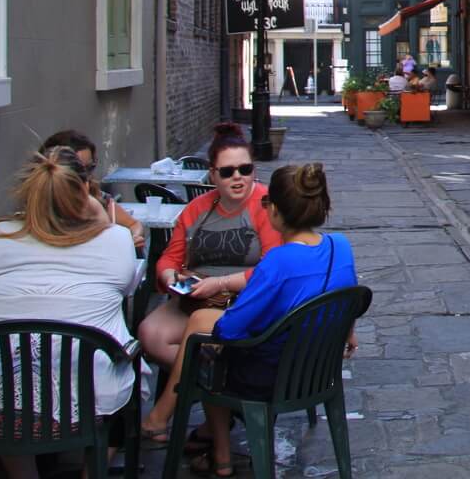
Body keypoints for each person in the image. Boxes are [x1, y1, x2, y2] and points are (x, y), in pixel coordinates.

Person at [0, 149, 144, 479]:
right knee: (124, 367)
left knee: (2, 384)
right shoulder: (115, 241)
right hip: (88, 405)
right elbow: (128, 287)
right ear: (86, 191)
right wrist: (99, 213)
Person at [189, 164, 359, 477]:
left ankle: (218, 452)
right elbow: (349, 297)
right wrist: (348, 333)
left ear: (276, 212)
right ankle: (215, 446)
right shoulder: (341, 247)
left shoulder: (278, 262)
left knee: (206, 350)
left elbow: (229, 329)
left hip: (270, 378)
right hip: (321, 370)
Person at [138, 123, 283, 444]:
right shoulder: (196, 210)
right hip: (195, 297)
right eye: (228, 171)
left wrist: (219, 284)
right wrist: (171, 278)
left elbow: (272, 269)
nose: (238, 178)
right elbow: (167, 259)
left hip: (244, 300)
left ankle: (168, 415)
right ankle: (222, 395)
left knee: (203, 340)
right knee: (150, 333)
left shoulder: (264, 207)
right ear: (212, 175)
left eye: (245, 169)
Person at [40, 128, 146, 250]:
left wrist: (135, 236)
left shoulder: (100, 197)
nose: (86, 175)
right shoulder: (40, 207)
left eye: (90, 167)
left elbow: (133, 223)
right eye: (77, 168)